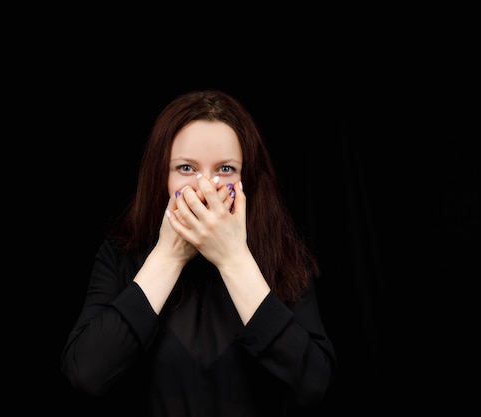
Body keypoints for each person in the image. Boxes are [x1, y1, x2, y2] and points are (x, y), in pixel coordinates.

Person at [60, 89, 336, 416]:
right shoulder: (120, 256)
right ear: (161, 175)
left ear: (248, 179)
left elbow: (312, 385)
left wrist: (235, 259)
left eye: (226, 169)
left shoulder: (284, 259)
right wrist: (168, 256)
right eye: (187, 168)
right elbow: (86, 374)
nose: (206, 187)